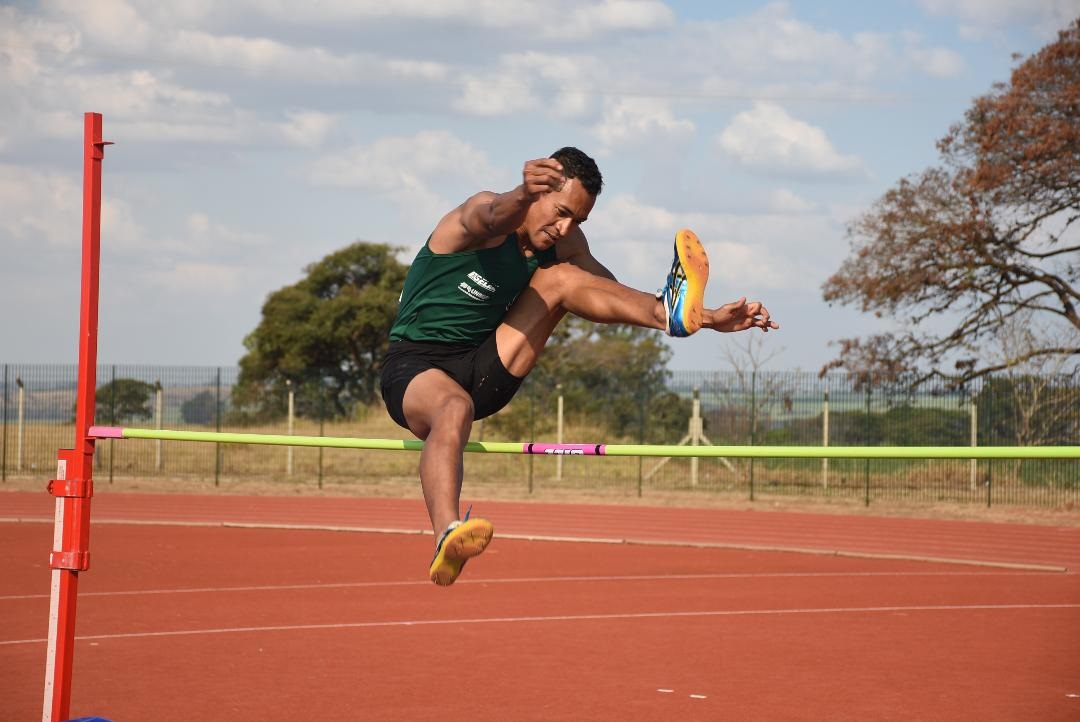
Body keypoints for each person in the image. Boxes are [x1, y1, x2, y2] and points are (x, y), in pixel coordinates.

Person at [380, 147, 778, 586]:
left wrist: (706, 318)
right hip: (416, 367)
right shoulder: (480, 216)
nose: (565, 228)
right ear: (537, 192)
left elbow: (605, 291)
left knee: (562, 279)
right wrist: (520, 194)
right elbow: (492, 215)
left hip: (488, 366)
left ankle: (671, 315)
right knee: (453, 407)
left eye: (579, 220)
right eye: (562, 213)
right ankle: (447, 535)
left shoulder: (563, 244)